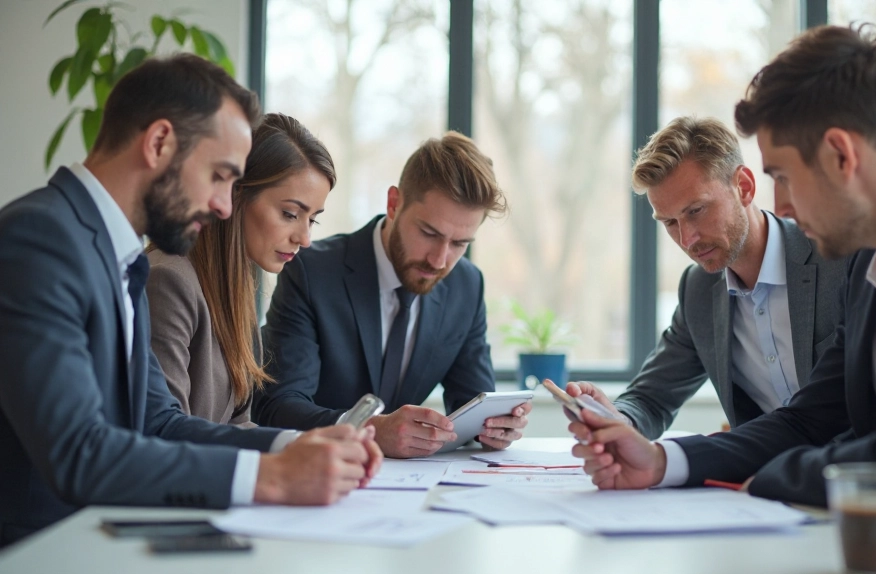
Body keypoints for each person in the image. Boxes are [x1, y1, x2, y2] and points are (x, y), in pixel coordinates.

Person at [568, 24, 876, 552]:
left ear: (841, 156)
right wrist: (662, 461)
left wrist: (761, 482)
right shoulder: (871, 265)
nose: (780, 205)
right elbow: (808, 420)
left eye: (783, 176)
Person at [0, 55, 381, 547]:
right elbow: (78, 451)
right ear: (159, 143)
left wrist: (295, 444)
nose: (224, 205)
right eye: (219, 175)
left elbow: (159, 423)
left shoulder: (116, 255)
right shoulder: (41, 238)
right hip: (41, 551)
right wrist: (273, 477)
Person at [255, 132, 532, 458]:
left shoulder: (466, 286)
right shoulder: (311, 271)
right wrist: (367, 429)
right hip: (318, 469)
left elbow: (472, 402)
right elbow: (278, 406)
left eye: (459, 244)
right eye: (429, 233)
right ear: (393, 204)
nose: (439, 260)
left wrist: (496, 427)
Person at [566, 116, 847, 438]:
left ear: (744, 187)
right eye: (670, 222)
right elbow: (651, 398)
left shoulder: (837, 259)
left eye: (696, 210)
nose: (687, 239)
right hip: (762, 467)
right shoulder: (698, 290)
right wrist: (615, 419)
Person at [146, 113, 335, 426]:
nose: (304, 238)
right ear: (235, 194)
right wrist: (294, 443)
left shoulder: (235, 288)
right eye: (290, 214)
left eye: (312, 219)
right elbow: (165, 431)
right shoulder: (168, 281)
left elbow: (238, 425)